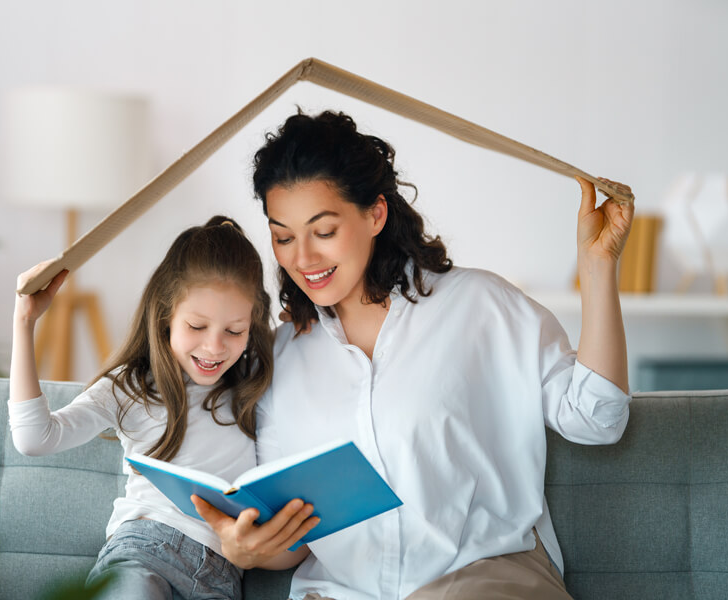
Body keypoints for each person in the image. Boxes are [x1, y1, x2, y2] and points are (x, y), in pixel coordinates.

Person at [193, 111, 635, 599]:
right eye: (283, 237)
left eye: (323, 231)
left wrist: (598, 268)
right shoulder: (283, 357)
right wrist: (248, 549)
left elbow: (598, 420)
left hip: (482, 578)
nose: (303, 258)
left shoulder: (478, 306)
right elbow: (296, 538)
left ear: (375, 214)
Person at [8, 216, 279, 600]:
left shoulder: (256, 380)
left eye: (234, 331)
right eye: (197, 326)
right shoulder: (132, 386)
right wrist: (24, 322)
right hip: (144, 553)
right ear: (167, 315)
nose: (215, 347)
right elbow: (34, 438)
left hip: (221, 576)